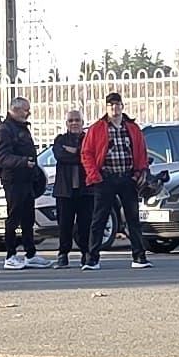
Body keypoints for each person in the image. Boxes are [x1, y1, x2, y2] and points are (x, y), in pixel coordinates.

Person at [82, 93, 154, 268]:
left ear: (122, 106)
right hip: (105, 178)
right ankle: (92, 259)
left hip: (127, 178)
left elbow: (141, 151)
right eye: (111, 105)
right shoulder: (97, 129)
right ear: (106, 108)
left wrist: (139, 172)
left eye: (117, 105)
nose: (114, 108)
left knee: (133, 219)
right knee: (99, 219)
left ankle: (139, 257)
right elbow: (86, 153)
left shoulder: (132, 128)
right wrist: (95, 176)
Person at [0, 97, 44, 269]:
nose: (29, 113)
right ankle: (10, 255)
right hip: (13, 180)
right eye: (26, 109)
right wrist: (23, 162)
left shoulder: (21, 128)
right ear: (16, 109)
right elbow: (2, 157)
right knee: (14, 217)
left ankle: (30, 253)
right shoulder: (5, 131)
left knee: (28, 218)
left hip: (26, 179)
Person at [50, 107, 96, 267]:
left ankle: (87, 254)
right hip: (65, 190)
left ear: (83, 123)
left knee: (86, 224)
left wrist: (76, 152)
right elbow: (61, 156)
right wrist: (81, 154)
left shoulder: (89, 139)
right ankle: (63, 254)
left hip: (86, 190)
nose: (74, 123)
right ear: (66, 123)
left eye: (77, 120)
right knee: (64, 225)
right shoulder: (60, 140)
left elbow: (92, 157)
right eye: (71, 120)